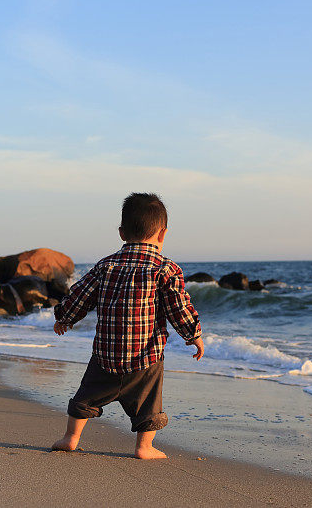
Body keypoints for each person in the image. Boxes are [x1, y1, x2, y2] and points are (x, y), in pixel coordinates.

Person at [50, 193, 204, 459]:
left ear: (122, 233)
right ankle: (144, 447)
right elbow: (178, 306)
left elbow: (80, 296)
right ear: (162, 233)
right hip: (146, 358)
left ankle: (70, 437)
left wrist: (64, 317)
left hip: (105, 356)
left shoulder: (106, 266)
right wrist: (193, 335)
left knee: (85, 396)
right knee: (149, 404)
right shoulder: (165, 268)